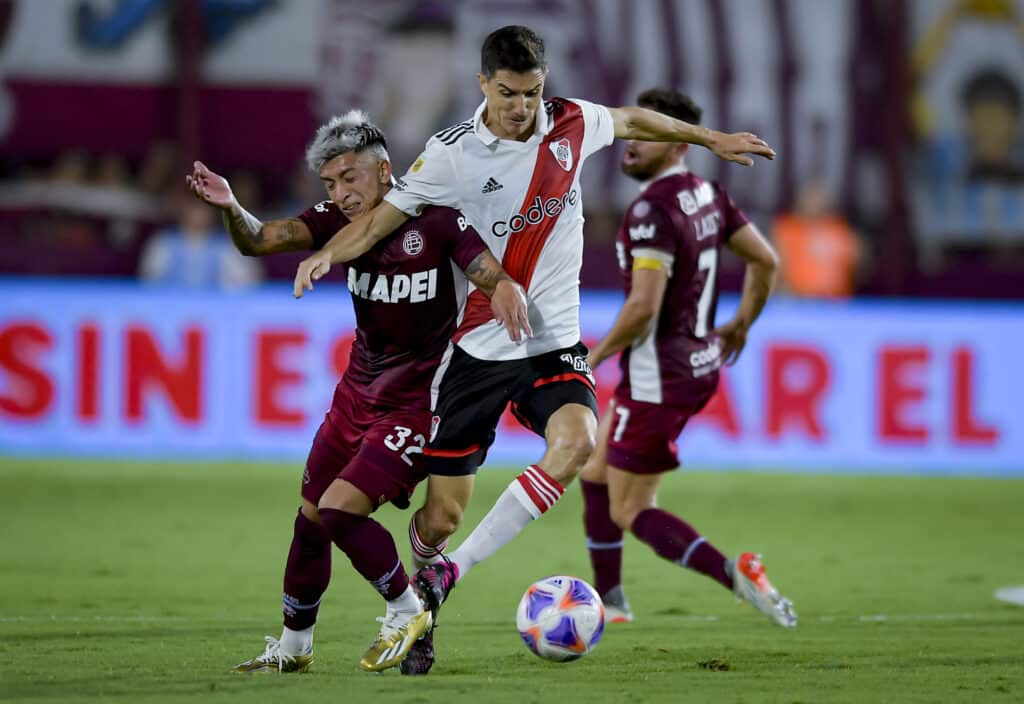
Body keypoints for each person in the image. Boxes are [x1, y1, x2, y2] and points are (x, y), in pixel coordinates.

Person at [291, 26, 775, 672]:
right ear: (484, 85)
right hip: (477, 351)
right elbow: (381, 222)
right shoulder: (451, 155)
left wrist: (711, 140)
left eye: (533, 92)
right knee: (440, 518)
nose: (524, 107)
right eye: (511, 94)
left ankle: (447, 576)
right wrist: (326, 251)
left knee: (578, 442)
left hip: (552, 343)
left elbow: (631, 117)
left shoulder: (570, 121)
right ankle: (419, 600)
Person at [186, 110, 529, 674]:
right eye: (330, 184)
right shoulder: (332, 222)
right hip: (354, 397)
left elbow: (483, 267)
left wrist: (506, 286)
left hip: (419, 404)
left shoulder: (437, 216)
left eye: (350, 179)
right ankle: (294, 649)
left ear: (385, 170)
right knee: (311, 521)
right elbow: (260, 240)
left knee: (341, 511)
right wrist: (230, 208)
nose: (341, 195)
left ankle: (407, 609)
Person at [578, 88, 795, 629]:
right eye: (632, 131)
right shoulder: (707, 195)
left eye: (645, 134)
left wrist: (593, 357)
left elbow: (642, 310)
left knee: (630, 508)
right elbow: (766, 261)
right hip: (697, 365)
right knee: (595, 468)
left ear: (678, 143)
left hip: (657, 377)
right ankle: (614, 603)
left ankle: (735, 573)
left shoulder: (652, 211)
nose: (629, 143)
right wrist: (741, 324)